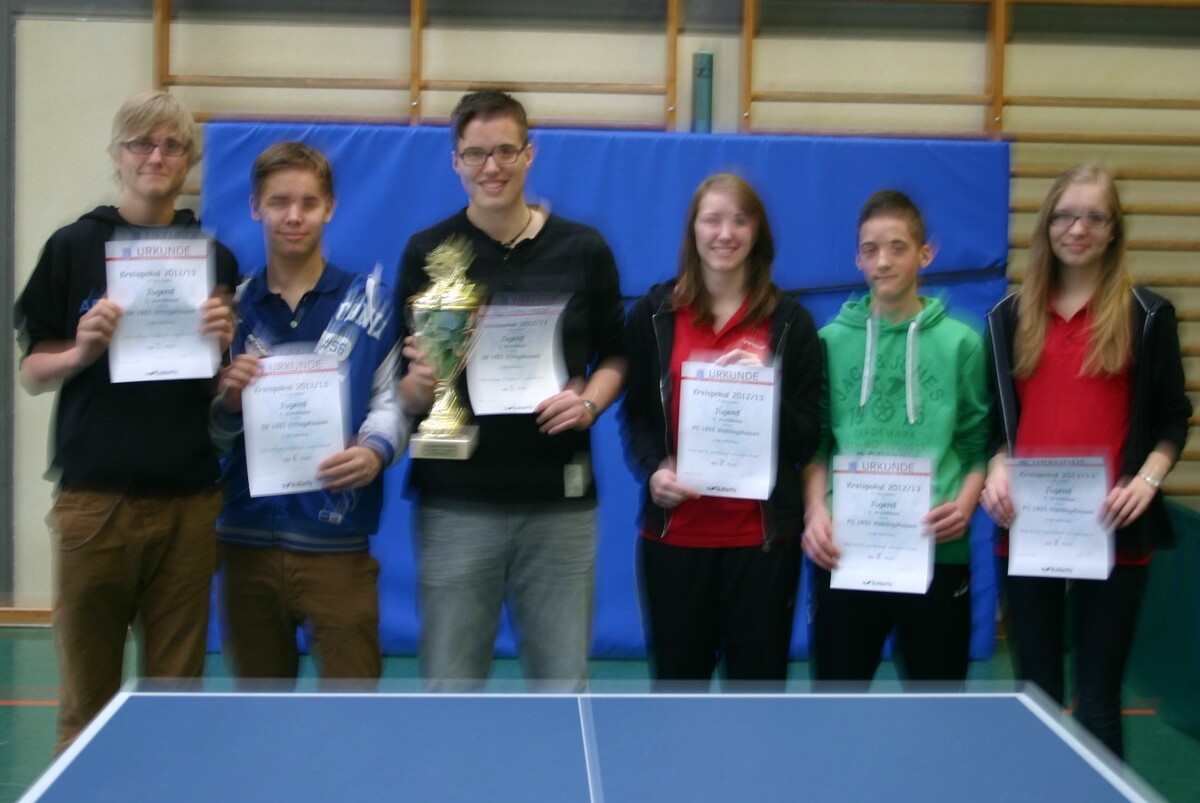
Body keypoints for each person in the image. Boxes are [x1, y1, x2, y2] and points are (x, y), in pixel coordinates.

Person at [14, 90, 237, 751]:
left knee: (175, 706)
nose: (156, 156)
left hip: (189, 503)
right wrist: (81, 351)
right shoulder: (73, 246)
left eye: (172, 145)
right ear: (117, 155)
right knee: (86, 704)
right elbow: (32, 372)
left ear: (190, 159)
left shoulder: (215, 259)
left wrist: (224, 350)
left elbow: (219, 392)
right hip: (95, 502)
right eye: (141, 143)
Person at [397, 90, 626, 689]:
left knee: (562, 685)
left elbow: (617, 354)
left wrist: (589, 402)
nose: (491, 167)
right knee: (450, 684)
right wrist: (419, 385)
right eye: (475, 154)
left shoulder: (584, 248)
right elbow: (407, 387)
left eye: (505, 151)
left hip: (559, 501)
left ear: (530, 153)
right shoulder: (427, 253)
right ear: (455, 161)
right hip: (455, 501)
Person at [979, 164, 1190, 758]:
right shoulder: (1008, 317)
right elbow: (997, 428)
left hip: (1114, 527)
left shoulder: (1147, 316)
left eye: (1094, 217)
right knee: (1037, 696)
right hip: (1028, 528)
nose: (1078, 229)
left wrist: (1146, 480)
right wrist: (997, 470)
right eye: (1066, 215)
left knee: (1098, 699)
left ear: (1114, 228)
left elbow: (1173, 419)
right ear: (1046, 224)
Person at [211, 142, 404, 684]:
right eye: (279, 202)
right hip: (245, 544)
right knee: (260, 714)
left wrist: (376, 451)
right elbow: (206, 436)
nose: (293, 216)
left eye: (308, 202)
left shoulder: (371, 304)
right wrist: (228, 404)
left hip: (337, 547)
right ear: (255, 207)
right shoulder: (230, 312)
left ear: (330, 207)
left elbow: (389, 400)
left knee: (353, 713)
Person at [621, 173, 821, 685]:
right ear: (693, 230)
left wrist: (764, 389)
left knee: (756, 696)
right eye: (712, 219)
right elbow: (637, 415)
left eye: (740, 220)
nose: (725, 233)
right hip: (675, 540)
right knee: (677, 690)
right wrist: (653, 471)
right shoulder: (653, 316)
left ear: (758, 232)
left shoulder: (792, 323)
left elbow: (807, 437)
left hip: (762, 544)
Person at [802, 190, 991, 686]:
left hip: (936, 550)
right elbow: (816, 446)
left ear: (925, 254)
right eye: (870, 249)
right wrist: (816, 512)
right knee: (837, 703)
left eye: (897, 247)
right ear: (857, 258)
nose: (882, 261)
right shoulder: (829, 342)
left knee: (936, 706)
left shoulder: (963, 342)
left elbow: (978, 447)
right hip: (845, 549)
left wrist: (965, 505)